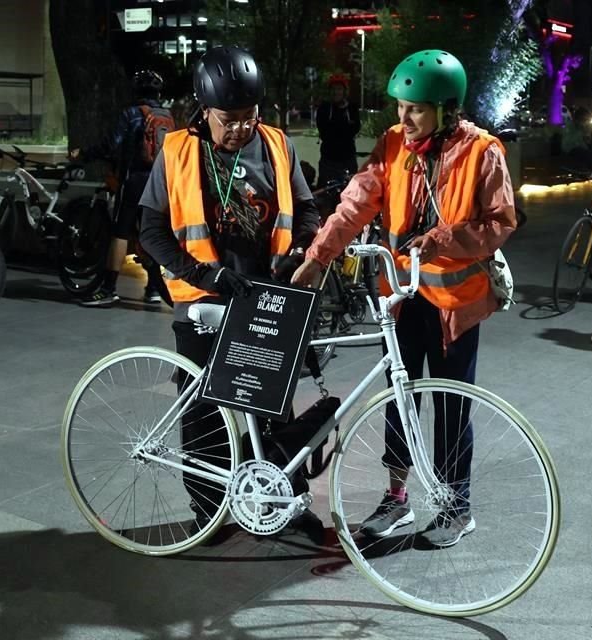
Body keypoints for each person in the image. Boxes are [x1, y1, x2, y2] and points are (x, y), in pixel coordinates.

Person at [291, 49, 517, 548]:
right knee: (400, 398)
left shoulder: (483, 152)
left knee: (453, 406)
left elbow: (499, 223)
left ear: (446, 107)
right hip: (402, 298)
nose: (403, 117)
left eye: (415, 108)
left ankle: (456, 506)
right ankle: (396, 499)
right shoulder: (394, 145)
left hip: (456, 306)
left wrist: (441, 239)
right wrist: (319, 255)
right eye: (400, 106)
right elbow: (357, 201)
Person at [138, 46, 321, 533]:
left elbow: (305, 210)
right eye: (229, 119)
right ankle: (208, 510)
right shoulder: (176, 151)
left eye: (248, 116)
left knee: (273, 403)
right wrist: (202, 274)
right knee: (203, 411)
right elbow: (150, 231)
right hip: (203, 300)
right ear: (204, 109)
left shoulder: (277, 145)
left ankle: (286, 497)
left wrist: (301, 247)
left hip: (266, 296)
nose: (241, 127)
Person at [75, 69, 176, 307]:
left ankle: (109, 289)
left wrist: (85, 155)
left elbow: (112, 144)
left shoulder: (131, 113)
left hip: (134, 179)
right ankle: (152, 289)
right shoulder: (168, 116)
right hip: (161, 182)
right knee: (150, 232)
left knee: (120, 233)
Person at [316, 74, 361, 186]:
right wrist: (343, 128)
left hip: (348, 159)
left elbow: (355, 129)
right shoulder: (324, 108)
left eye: (339, 89)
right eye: (333, 89)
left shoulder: (352, 108)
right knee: (326, 194)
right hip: (328, 160)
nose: (336, 92)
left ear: (345, 91)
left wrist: (337, 129)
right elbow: (324, 133)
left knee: (350, 193)